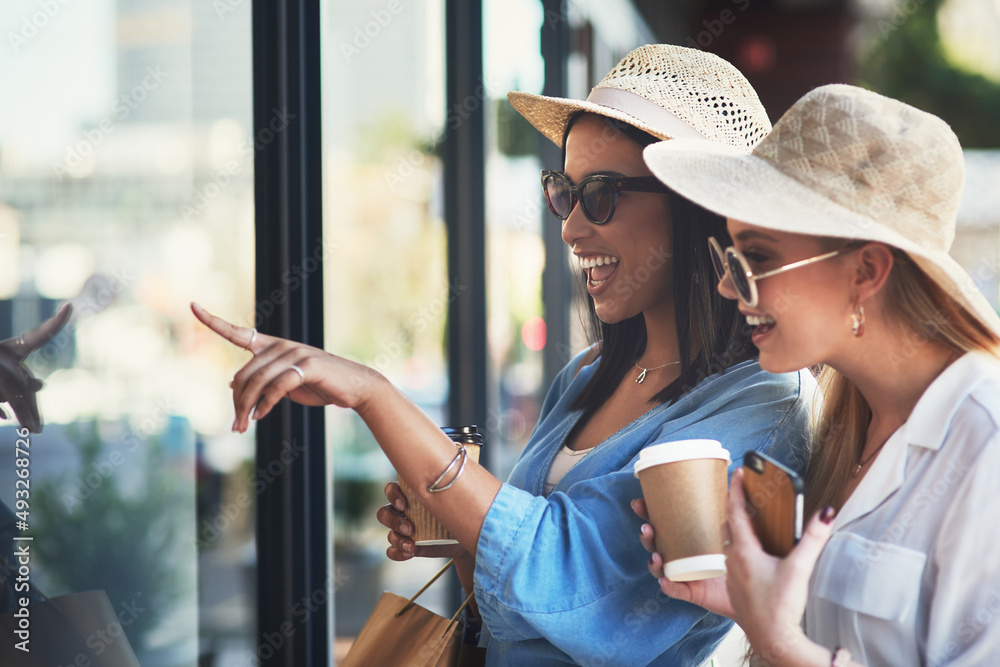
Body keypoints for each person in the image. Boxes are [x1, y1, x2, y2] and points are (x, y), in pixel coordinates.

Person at [192, 45, 815, 665]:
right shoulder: (586, 378)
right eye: (564, 193)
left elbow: (569, 579)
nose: (570, 228)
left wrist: (373, 395)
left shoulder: (764, 404)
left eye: (600, 194)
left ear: (693, 204)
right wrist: (461, 535)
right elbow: (513, 618)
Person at [639, 83, 1000, 666]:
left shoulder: (986, 441)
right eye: (728, 257)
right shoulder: (844, 426)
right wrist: (746, 602)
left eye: (755, 257)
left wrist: (781, 642)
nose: (728, 287)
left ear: (866, 271)